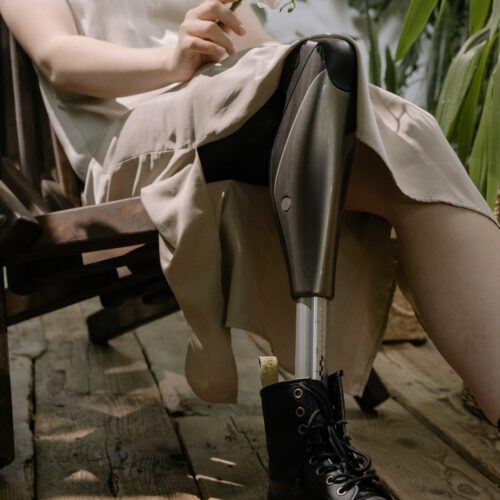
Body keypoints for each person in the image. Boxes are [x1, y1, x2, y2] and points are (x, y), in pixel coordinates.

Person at [1, 0, 499, 498]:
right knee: (320, 79)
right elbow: (57, 56)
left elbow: (259, 49)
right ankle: (308, 451)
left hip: (242, 110)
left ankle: (308, 463)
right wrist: (173, 60)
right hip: (133, 137)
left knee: (410, 147)